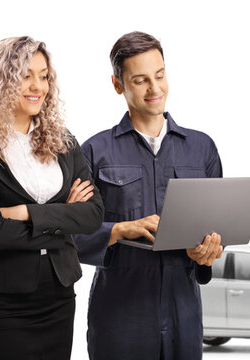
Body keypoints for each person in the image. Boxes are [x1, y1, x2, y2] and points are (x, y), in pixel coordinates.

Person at [0, 36, 104, 360]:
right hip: (4, 304)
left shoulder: (64, 142)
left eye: (44, 75)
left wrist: (24, 212)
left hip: (59, 297)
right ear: (1, 80)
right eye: (25, 75)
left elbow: (92, 215)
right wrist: (64, 219)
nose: (38, 86)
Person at [73, 31, 224, 360]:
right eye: (140, 80)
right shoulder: (95, 152)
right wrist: (118, 229)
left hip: (183, 311)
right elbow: (71, 236)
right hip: (120, 316)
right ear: (118, 84)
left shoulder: (202, 149)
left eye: (160, 75)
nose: (155, 89)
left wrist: (207, 254)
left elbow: (215, 233)